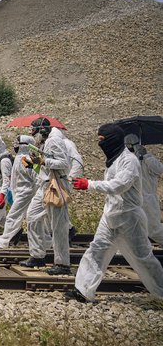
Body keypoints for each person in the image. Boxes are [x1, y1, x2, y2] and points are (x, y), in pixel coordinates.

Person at [66, 124, 163, 302]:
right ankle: (83, 291)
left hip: (129, 218)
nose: (99, 143)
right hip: (110, 216)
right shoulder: (113, 161)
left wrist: (90, 184)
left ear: (113, 140)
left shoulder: (130, 161)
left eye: (102, 139)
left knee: (143, 259)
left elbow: (119, 185)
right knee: (96, 251)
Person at [20, 118, 72, 275]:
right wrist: (33, 165)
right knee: (32, 217)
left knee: (58, 226)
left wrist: (42, 161)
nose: (32, 134)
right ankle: (37, 255)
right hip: (44, 186)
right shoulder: (45, 141)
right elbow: (44, 168)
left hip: (55, 186)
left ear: (41, 130)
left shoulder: (54, 141)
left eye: (33, 131)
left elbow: (64, 164)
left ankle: (62, 263)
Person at [0, 135, 38, 248]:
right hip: (21, 192)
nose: (15, 145)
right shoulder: (20, 158)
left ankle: (4, 241)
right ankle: (45, 241)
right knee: (35, 218)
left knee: (12, 216)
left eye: (17, 143)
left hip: (25, 193)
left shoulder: (25, 159)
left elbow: (36, 176)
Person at [127, 138, 163, 245]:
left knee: (153, 231)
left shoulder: (149, 159)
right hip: (134, 200)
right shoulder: (128, 161)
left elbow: (160, 170)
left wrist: (145, 156)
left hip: (148, 200)